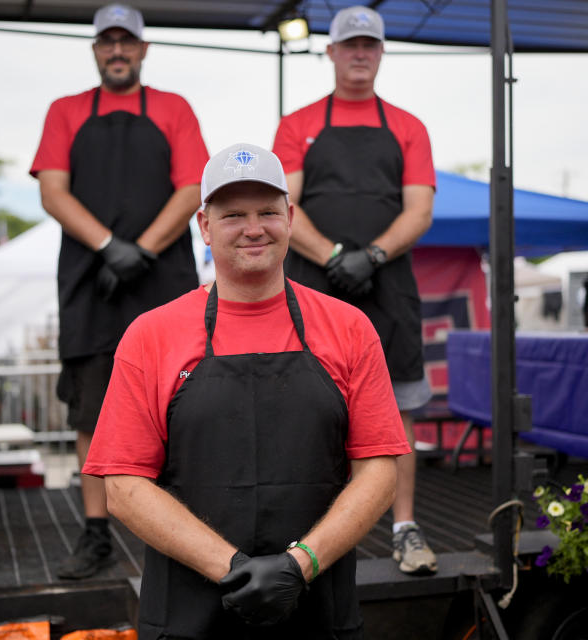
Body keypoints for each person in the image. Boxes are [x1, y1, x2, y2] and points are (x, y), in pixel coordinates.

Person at [83, 143, 411, 639]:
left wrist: (298, 565)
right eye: (233, 214)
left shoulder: (349, 328)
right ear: (205, 226)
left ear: (291, 217)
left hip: (316, 604)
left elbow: (380, 470)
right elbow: (124, 488)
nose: (253, 228)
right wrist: (234, 567)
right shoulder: (152, 335)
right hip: (189, 615)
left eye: (267, 212)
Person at [30, 2, 209, 579]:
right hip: (90, 286)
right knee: (91, 411)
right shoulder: (65, 111)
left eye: (126, 42)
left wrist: (144, 251)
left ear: (143, 49)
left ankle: (183, 525)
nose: (117, 51)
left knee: (182, 402)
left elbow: (191, 190)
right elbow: (53, 193)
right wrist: (110, 246)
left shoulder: (174, 108)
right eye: (107, 42)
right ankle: (97, 533)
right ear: (94, 50)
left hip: (165, 282)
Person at [272, 5, 438, 576]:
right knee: (306, 406)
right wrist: (335, 258)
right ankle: (306, 534)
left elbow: (419, 211)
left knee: (397, 411)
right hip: (315, 286)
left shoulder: (409, 127)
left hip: (389, 289)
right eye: (349, 45)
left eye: (369, 45)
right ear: (331, 52)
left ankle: (405, 527)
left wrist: (372, 256)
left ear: (382, 52)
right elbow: (283, 206)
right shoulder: (297, 125)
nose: (359, 54)